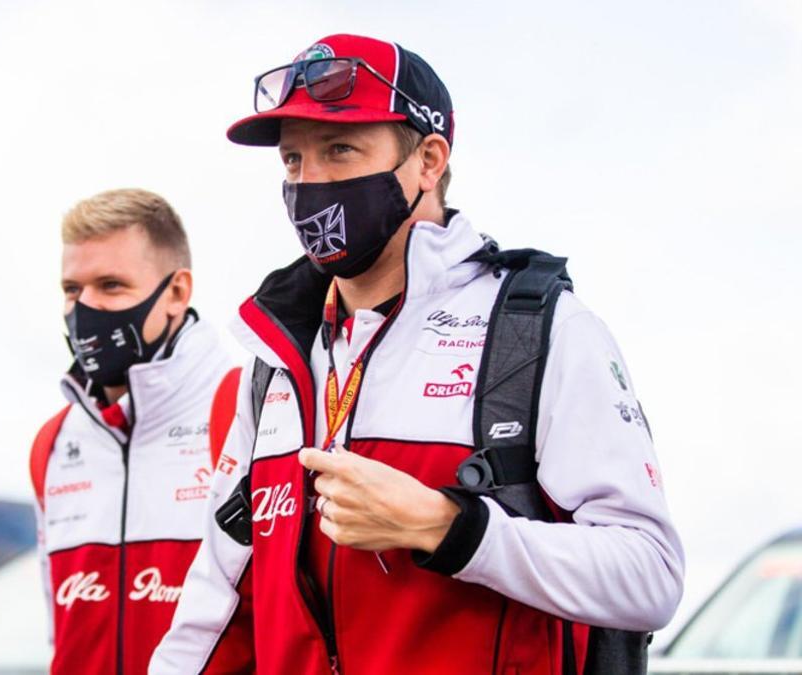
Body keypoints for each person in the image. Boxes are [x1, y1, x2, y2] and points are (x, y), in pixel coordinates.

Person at [150, 34, 684, 674]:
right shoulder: (275, 359)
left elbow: (651, 575)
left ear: (429, 160)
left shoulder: (540, 332)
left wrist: (449, 528)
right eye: (293, 161)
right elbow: (215, 599)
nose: (309, 182)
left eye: (340, 150)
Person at [30, 188, 236, 674]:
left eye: (111, 285)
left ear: (177, 292)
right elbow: (59, 634)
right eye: (72, 290)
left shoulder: (246, 412)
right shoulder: (53, 444)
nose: (86, 309)